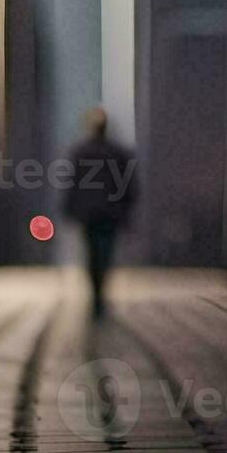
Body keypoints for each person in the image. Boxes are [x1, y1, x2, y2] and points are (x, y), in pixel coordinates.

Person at [62, 108, 137, 319]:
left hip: (89, 214)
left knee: (92, 254)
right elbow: (129, 186)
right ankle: (100, 293)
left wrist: (69, 209)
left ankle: (96, 294)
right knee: (106, 254)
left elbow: (72, 184)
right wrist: (127, 210)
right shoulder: (118, 153)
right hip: (111, 214)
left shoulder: (81, 151)